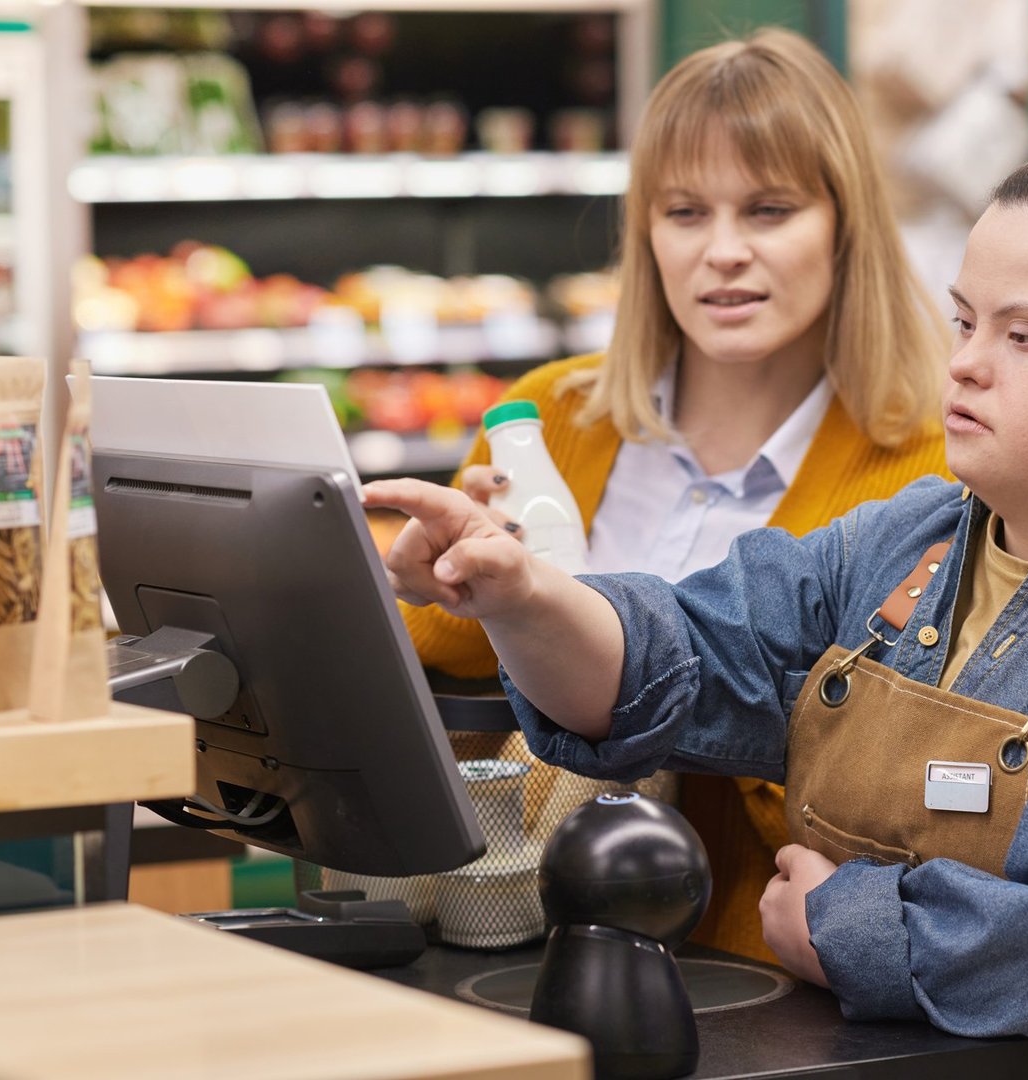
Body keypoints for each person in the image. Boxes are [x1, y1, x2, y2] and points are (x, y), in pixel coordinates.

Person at [366, 119, 1028, 1073]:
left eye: (1023, 337)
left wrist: (843, 925)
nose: (967, 366)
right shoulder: (918, 540)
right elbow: (678, 656)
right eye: (964, 321)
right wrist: (515, 592)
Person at [396, 29, 948, 960]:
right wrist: (430, 579)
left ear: (845, 223)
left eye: (769, 210)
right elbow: (446, 654)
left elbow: (889, 777)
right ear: (645, 233)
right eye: (685, 212)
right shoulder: (551, 418)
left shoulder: (926, 467)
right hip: (517, 942)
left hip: (759, 970)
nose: (722, 251)